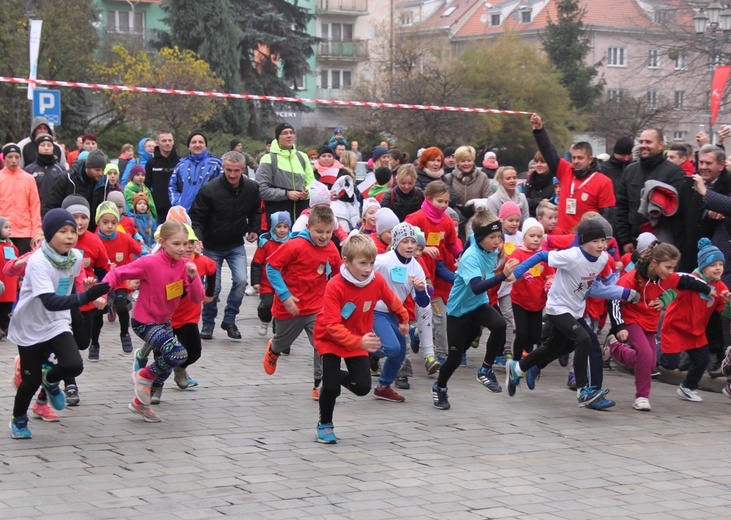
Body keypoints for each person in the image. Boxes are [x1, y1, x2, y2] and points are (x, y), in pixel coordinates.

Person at [9, 208, 110, 439]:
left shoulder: (75, 257)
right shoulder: (38, 262)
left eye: (72, 231)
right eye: (62, 231)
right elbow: (50, 301)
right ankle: (19, 419)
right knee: (30, 380)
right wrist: (86, 297)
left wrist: (85, 292)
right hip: (31, 326)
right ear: (48, 234)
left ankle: (51, 380)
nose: (69, 236)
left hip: (57, 322)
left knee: (74, 365)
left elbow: (70, 285)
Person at [505, 219, 626, 407]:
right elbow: (543, 253)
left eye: (605, 241)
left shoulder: (602, 258)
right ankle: (583, 391)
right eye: (596, 241)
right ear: (584, 240)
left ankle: (519, 367)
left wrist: (624, 292)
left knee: (554, 348)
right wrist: (519, 272)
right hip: (558, 308)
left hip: (576, 310)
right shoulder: (572, 255)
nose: (601, 245)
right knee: (585, 339)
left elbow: (602, 282)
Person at [101, 220, 204, 423]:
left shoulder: (185, 265)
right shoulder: (150, 263)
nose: (182, 249)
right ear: (163, 242)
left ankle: (140, 403)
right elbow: (116, 273)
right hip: (144, 322)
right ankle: (144, 375)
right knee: (178, 353)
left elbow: (196, 298)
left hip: (165, 322)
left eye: (185, 244)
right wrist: (102, 295)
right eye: (176, 244)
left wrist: (193, 277)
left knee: (168, 364)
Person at [313, 234, 407, 443]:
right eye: (362, 263)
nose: (368, 268)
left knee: (362, 387)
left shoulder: (376, 281)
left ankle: (332, 376)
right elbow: (332, 325)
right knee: (331, 388)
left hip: (358, 338)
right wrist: (359, 342)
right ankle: (325, 424)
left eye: (371, 263)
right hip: (330, 339)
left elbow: (392, 300)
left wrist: (403, 317)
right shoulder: (335, 286)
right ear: (346, 261)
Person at [607, 242, 714, 411]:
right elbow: (613, 300)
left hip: (649, 322)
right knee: (644, 353)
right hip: (631, 319)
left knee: (650, 362)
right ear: (654, 263)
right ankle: (642, 397)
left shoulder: (667, 277)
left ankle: (615, 349)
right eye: (668, 267)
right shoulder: (631, 278)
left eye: (673, 267)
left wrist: (707, 289)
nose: (671, 272)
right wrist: (619, 327)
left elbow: (687, 280)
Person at [432, 210, 516, 410]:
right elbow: (476, 286)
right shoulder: (471, 257)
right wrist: (503, 276)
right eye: (492, 237)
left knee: (499, 324)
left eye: (499, 237)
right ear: (480, 238)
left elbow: (476, 239)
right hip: (459, 310)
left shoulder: (490, 249)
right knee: (454, 358)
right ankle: (440, 387)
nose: (497, 242)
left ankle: (485, 370)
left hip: (478, 304)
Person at [262, 205, 342, 400]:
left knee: (322, 344)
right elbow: (271, 267)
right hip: (291, 307)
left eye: (328, 232)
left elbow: (340, 274)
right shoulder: (295, 245)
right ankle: (274, 349)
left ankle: (319, 383)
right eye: (319, 232)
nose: (324, 236)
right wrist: (285, 296)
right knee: (283, 342)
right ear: (308, 227)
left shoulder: (331, 248)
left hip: (318, 306)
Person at [189, 151, 261, 340]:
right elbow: (196, 216)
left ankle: (229, 320)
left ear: (243, 169)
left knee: (240, 282)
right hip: (212, 245)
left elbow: (256, 210)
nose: (232, 174)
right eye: (228, 170)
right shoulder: (210, 189)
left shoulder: (252, 188)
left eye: (236, 170)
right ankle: (208, 323)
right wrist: (197, 238)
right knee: (215, 287)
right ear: (223, 168)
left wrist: (254, 228)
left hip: (236, 243)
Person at [650, 239, 730, 402]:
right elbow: (673, 292)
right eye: (713, 264)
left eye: (720, 264)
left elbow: (725, 312)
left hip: (696, 331)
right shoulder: (690, 280)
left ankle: (687, 387)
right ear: (702, 266)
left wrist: (729, 303)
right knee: (669, 364)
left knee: (702, 360)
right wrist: (662, 301)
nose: (718, 268)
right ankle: (653, 346)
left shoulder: (721, 287)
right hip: (676, 328)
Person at [151, 224, 216, 401]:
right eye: (180, 244)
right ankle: (157, 387)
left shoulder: (200, 261)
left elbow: (213, 269)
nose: (186, 247)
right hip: (166, 317)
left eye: (190, 243)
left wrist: (209, 293)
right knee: (161, 354)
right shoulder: (163, 262)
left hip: (189, 317)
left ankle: (180, 369)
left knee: (194, 351)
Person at [370, 223, 427, 403]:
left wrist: (419, 290)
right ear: (395, 243)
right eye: (405, 242)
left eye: (413, 242)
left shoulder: (416, 268)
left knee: (400, 352)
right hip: (377, 311)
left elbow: (424, 302)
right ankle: (364, 350)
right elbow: (361, 273)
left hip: (396, 313)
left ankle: (383, 387)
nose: (410, 246)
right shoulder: (382, 261)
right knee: (392, 347)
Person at [531, 113, 616, 234]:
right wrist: (539, 131)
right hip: (560, 235)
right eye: (574, 157)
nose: (575, 161)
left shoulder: (603, 182)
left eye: (580, 158)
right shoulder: (566, 170)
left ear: (590, 159)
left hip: (583, 239)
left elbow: (608, 217)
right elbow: (549, 153)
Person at [615, 128, 685, 256]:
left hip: (662, 242)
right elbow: (622, 207)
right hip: (633, 241)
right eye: (641, 142)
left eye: (648, 142)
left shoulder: (674, 172)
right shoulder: (630, 171)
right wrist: (625, 239)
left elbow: (677, 210)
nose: (643, 146)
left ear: (660, 145)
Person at [94, 201, 142, 354]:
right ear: (98, 222)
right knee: (96, 313)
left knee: (122, 307)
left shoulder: (124, 238)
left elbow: (139, 250)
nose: (109, 226)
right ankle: (94, 343)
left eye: (113, 222)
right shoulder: (94, 240)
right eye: (105, 222)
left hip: (120, 281)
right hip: (101, 281)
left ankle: (124, 333)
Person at [508, 218, 554, 361]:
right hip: (520, 300)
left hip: (537, 301)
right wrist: (520, 273)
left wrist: (549, 283)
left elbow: (550, 274)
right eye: (531, 236)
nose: (535, 239)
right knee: (522, 333)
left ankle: (526, 355)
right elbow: (510, 272)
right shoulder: (518, 253)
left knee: (535, 335)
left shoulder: (544, 255)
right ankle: (515, 362)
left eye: (539, 236)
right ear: (524, 236)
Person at [256, 122, 314, 222]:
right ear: (277, 137)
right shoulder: (268, 159)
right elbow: (261, 190)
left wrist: (307, 193)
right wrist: (286, 194)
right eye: (285, 133)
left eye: (291, 132)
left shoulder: (302, 157)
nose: (289, 136)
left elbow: (312, 184)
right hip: (278, 221)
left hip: (302, 218)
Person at [44, 148, 109, 232]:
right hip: (67, 229)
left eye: (103, 170)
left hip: (93, 231)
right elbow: (51, 205)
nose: (100, 173)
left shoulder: (104, 181)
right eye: (97, 170)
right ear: (87, 167)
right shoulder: (66, 178)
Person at [251, 212, 292, 337]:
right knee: (267, 304)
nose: (282, 230)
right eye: (278, 227)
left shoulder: (292, 242)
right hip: (266, 282)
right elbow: (257, 262)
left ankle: (277, 332)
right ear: (273, 227)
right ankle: (264, 320)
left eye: (285, 227)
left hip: (284, 283)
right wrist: (255, 281)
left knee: (282, 308)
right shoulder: (266, 242)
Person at [0, 143, 42, 255]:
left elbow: (34, 206)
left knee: (22, 266)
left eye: (17, 157)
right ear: (4, 158)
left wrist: (36, 232)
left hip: (25, 232)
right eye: (10, 157)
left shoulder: (28, 179)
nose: (14, 160)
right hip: (3, 230)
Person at [168, 130, 222, 212]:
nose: (197, 145)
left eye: (201, 142)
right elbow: (172, 187)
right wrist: (178, 204)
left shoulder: (216, 164)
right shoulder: (181, 165)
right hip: (185, 214)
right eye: (194, 142)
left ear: (205, 145)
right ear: (188, 146)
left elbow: (223, 187)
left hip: (209, 214)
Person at [446, 146, 491, 225]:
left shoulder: (482, 176)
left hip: (477, 222)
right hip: (455, 222)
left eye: (469, 160)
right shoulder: (449, 177)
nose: (466, 164)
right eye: (463, 161)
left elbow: (488, 199)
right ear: (457, 162)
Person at [25, 133, 66, 211]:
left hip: (56, 211)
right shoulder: (29, 169)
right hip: (36, 210)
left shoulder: (60, 169)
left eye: (49, 145)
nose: (46, 148)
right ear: (37, 148)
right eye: (43, 145)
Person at [145, 131, 180, 223]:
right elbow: (146, 186)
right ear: (157, 142)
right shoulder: (151, 163)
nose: (167, 143)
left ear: (173, 142)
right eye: (164, 141)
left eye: (170, 140)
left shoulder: (180, 162)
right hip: (158, 211)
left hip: (177, 210)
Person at [0, 216, 19, 337]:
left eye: (10, 227)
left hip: (11, 282)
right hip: (2, 280)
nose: (9, 230)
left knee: (7, 306)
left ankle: (5, 326)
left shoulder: (12, 246)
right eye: (6, 227)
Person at [522, 152, 556, 217]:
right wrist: (540, 201)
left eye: (543, 162)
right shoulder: (531, 180)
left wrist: (532, 202)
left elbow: (553, 204)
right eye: (536, 162)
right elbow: (524, 202)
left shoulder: (555, 181)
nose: (539, 165)